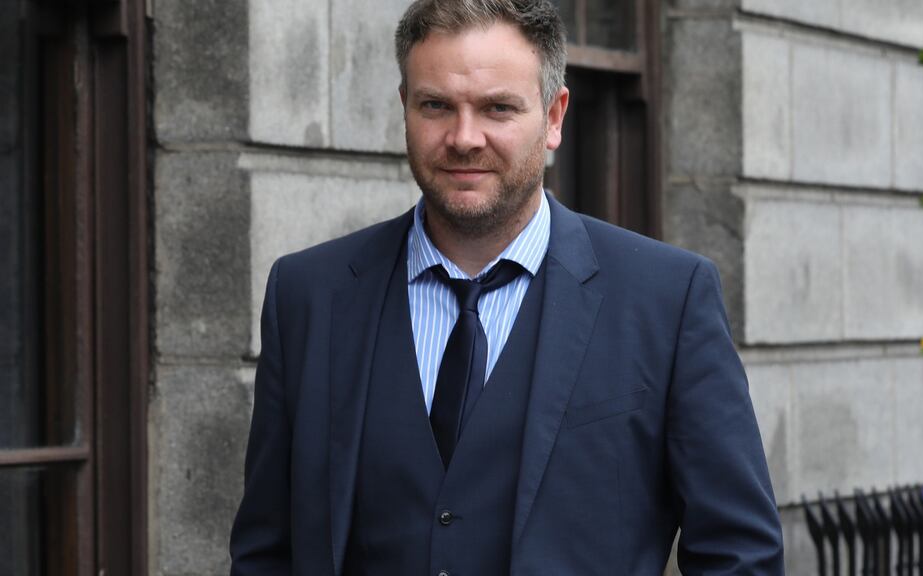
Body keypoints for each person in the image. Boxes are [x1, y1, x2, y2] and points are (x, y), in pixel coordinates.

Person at [229, 0, 784, 574]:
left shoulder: (667, 299)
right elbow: (266, 552)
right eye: (436, 105)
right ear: (405, 107)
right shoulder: (308, 296)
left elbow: (740, 555)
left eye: (498, 108)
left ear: (554, 116)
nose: (464, 138)